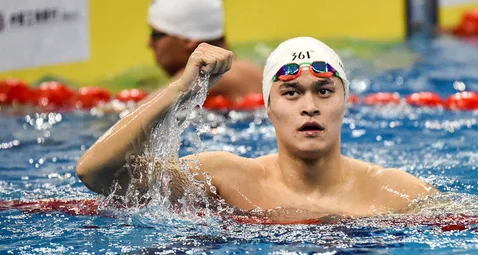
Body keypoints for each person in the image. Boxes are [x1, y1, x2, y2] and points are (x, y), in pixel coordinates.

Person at [76, 37, 436, 220]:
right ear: (267, 107)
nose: (309, 106)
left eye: (324, 91)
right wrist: (180, 89)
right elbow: (96, 172)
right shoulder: (223, 179)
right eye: (291, 93)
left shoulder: (397, 193)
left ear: (345, 101)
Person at [145, 0, 262, 102]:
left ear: (188, 39)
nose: (149, 44)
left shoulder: (213, 73)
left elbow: (136, 115)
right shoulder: (245, 69)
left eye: (156, 35)